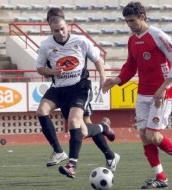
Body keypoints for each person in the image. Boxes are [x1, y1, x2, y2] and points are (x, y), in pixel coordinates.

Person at [103, 2, 172, 189]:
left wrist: (164, 87)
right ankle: (161, 178)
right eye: (126, 22)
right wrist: (115, 80)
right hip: (143, 93)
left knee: (153, 135)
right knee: (143, 135)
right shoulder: (132, 40)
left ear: (142, 16)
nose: (129, 25)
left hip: (161, 92)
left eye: (132, 21)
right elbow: (131, 66)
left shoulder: (158, 35)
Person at [36, 15, 120, 178]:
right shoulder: (46, 45)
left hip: (79, 88)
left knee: (76, 124)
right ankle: (61, 151)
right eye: (56, 30)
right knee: (43, 112)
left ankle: (72, 165)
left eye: (62, 29)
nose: (60, 33)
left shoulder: (80, 41)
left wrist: (103, 78)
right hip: (58, 89)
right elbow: (40, 68)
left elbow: (97, 59)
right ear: (50, 29)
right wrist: (52, 71)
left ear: (67, 26)